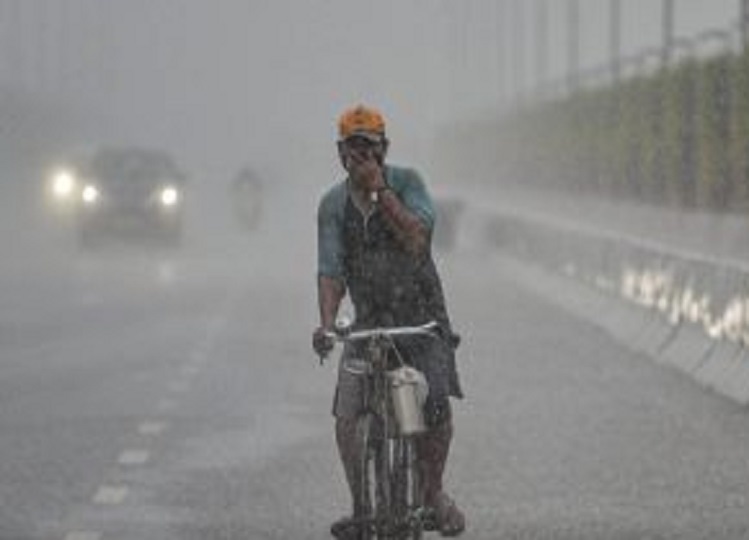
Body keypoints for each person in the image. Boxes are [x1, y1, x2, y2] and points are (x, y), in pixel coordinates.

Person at [313, 104, 466, 538]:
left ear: (385, 149)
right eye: (352, 149)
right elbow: (329, 270)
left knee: (435, 403)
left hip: (419, 318)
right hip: (368, 320)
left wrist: (381, 193)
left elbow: (418, 240)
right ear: (339, 152)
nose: (361, 158)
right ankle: (362, 504)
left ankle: (433, 491)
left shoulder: (408, 183)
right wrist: (326, 325)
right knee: (347, 411)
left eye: (370, 148)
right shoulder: (332, 205)